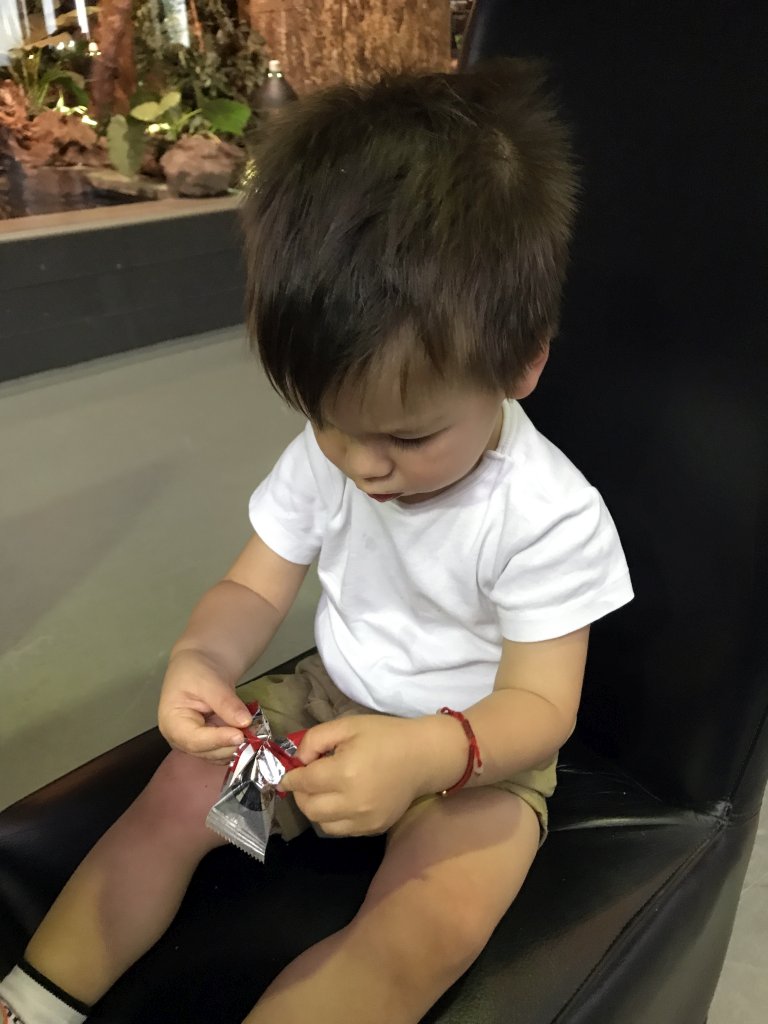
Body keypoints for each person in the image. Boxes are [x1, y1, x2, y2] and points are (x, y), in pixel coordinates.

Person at [0, 61, 633, 1024]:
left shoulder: (549, 514)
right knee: (178, 799)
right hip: (318, 705)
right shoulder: (328, 454)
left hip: (473, 757)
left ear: (523, 362)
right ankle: (35, 1002)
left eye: (407, 437)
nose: (360, 466)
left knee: (420, 932)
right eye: (328, 421)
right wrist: (199, 658)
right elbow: (254, 589)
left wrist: (424, 758)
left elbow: (541, 708)